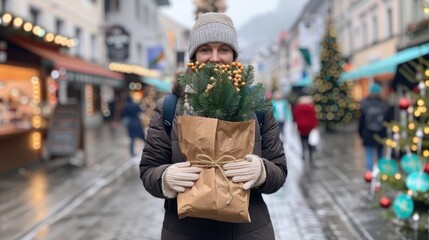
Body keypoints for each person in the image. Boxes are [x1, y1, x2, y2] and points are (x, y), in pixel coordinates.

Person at [139, 12, 287, 240]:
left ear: (234, 56)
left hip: (248, 231)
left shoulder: (256, 105)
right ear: (195, 56)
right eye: (206, 49)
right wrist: (165, 178)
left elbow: (279, 170)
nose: (215, 58)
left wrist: (263, 172)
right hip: (185, 231)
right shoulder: (170, 107)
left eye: (224, 49)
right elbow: (148, 169)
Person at [358, 83, 391, 171]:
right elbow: (388, 121)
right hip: (381, 133)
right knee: (380, 154)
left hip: (367, 133)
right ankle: (381, 173)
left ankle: (370, 173)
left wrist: (361, 133)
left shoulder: (364, 103)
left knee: (369, 154)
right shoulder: (384, 103)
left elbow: (361, 121)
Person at [292, 95, 318, 165]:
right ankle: (310, 155)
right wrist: (315, 126)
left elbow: (295, 117)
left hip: (301, 127)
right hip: (310, 127)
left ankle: (303, 153)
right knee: (310, 141)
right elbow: (314, 117)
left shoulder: (297, 108)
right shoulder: (311, 107)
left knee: (303, 140)